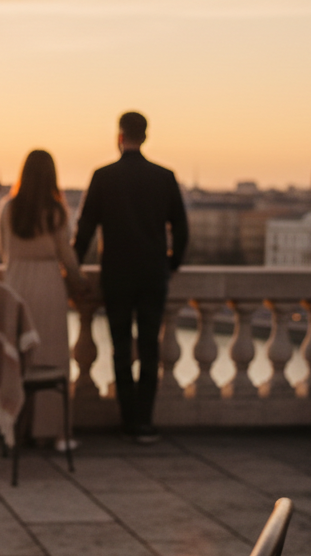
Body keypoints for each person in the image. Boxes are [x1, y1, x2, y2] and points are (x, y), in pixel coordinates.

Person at [73, 112, 188, 443]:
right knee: (150, 347)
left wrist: (74, 267)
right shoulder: (164, 177)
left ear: (118, 136)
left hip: (118, 275)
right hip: (153, 274)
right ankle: (145, 421)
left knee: (121, 347)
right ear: (146, 136)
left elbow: (85, 228)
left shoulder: (103, 176)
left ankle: (128, 419)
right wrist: (171, 263)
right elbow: (180, 227)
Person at [0, 149, 90, 450]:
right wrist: (79, 282)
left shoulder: (7, 209)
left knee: (18, 360)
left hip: (16, 284)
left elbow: (4, 251)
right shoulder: (57, 211)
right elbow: (67, 256)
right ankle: (56, 433)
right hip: (49, 285)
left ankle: (14, 429)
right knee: (52, 360)